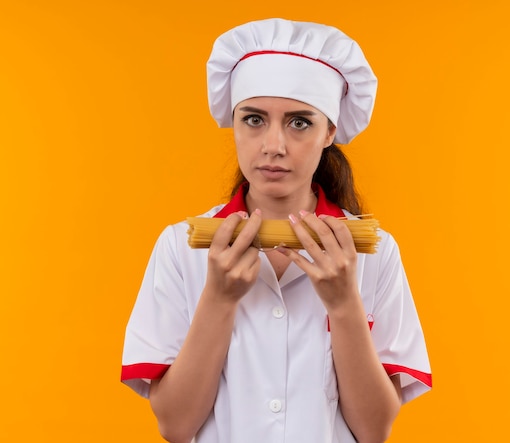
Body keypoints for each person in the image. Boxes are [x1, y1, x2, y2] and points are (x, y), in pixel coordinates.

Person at [121, 18, 432, 443]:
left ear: (330, 132)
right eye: (253, 119)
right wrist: (218, 298)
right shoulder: (180, 246)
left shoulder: (376, 252)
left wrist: (343, 305)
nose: (273, 145)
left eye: (299, 122)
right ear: (234, 123)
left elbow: (374, 430)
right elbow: (175, 425)